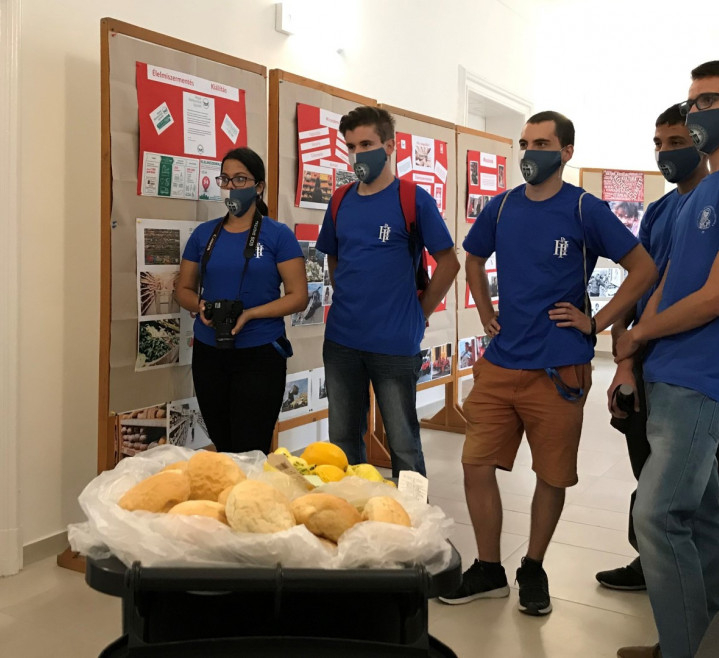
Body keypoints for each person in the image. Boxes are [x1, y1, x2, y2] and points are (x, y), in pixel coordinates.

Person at [439, 111, 656, 616]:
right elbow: (473, 258)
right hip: (500, 364)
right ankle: (488, 568)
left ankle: (532, 566)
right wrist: (486, 312)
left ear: (566, 152)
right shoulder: (502, 206)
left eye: (541, 143)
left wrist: (596, 322)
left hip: (560, 369)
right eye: (525, 143)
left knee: (552, 475)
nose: (530, 153)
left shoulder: (584, 209)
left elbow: (643, 268)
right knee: (475, 465)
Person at [616, 61, 719, 658]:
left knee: (657, 517)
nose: (695, 112)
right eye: (691, 102)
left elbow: (716, 297)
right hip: (666, 367)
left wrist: (642, 332)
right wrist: (635, 346)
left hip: (704, 375)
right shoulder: (701, 191)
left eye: (708, 101)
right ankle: (702, 641)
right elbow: (669, 278)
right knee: (700, 517)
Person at [595, 104, 715, 593]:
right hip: (643, 353)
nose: (665, 153)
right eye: (659, 144)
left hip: (689, 358)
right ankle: (650, 561)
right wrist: (623, 357)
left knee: (693, 479)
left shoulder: (717, 202)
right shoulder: (661, 210)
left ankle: (702, 575)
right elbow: (638, 283)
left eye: (677, 143)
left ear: (701, 142)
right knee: (645, 462)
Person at [316, 106, 459, 477]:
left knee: (403, 441)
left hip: (394, 342)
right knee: (342, 440)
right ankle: (351, 507)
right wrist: (349, 298)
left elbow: (449, 263)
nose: (357, 154)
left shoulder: (412, 198)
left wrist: (420, 313)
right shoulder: (340, 200)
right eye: (351, 146)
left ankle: (412, 511)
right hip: (342, 340)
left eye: (366, 144)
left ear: (390, 146)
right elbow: (334, 258)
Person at [175, 147, 308, 453]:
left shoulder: (278, 235)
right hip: (210, 351)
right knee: (222, 445)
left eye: (240, 179)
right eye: (225, 179)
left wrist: (250, 314)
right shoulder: (204, 235)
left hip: (260, 352)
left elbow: (299, 297)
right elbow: (183, 289)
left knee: (251, 448)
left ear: (259, 186)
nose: (231, 186)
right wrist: (200, 306)